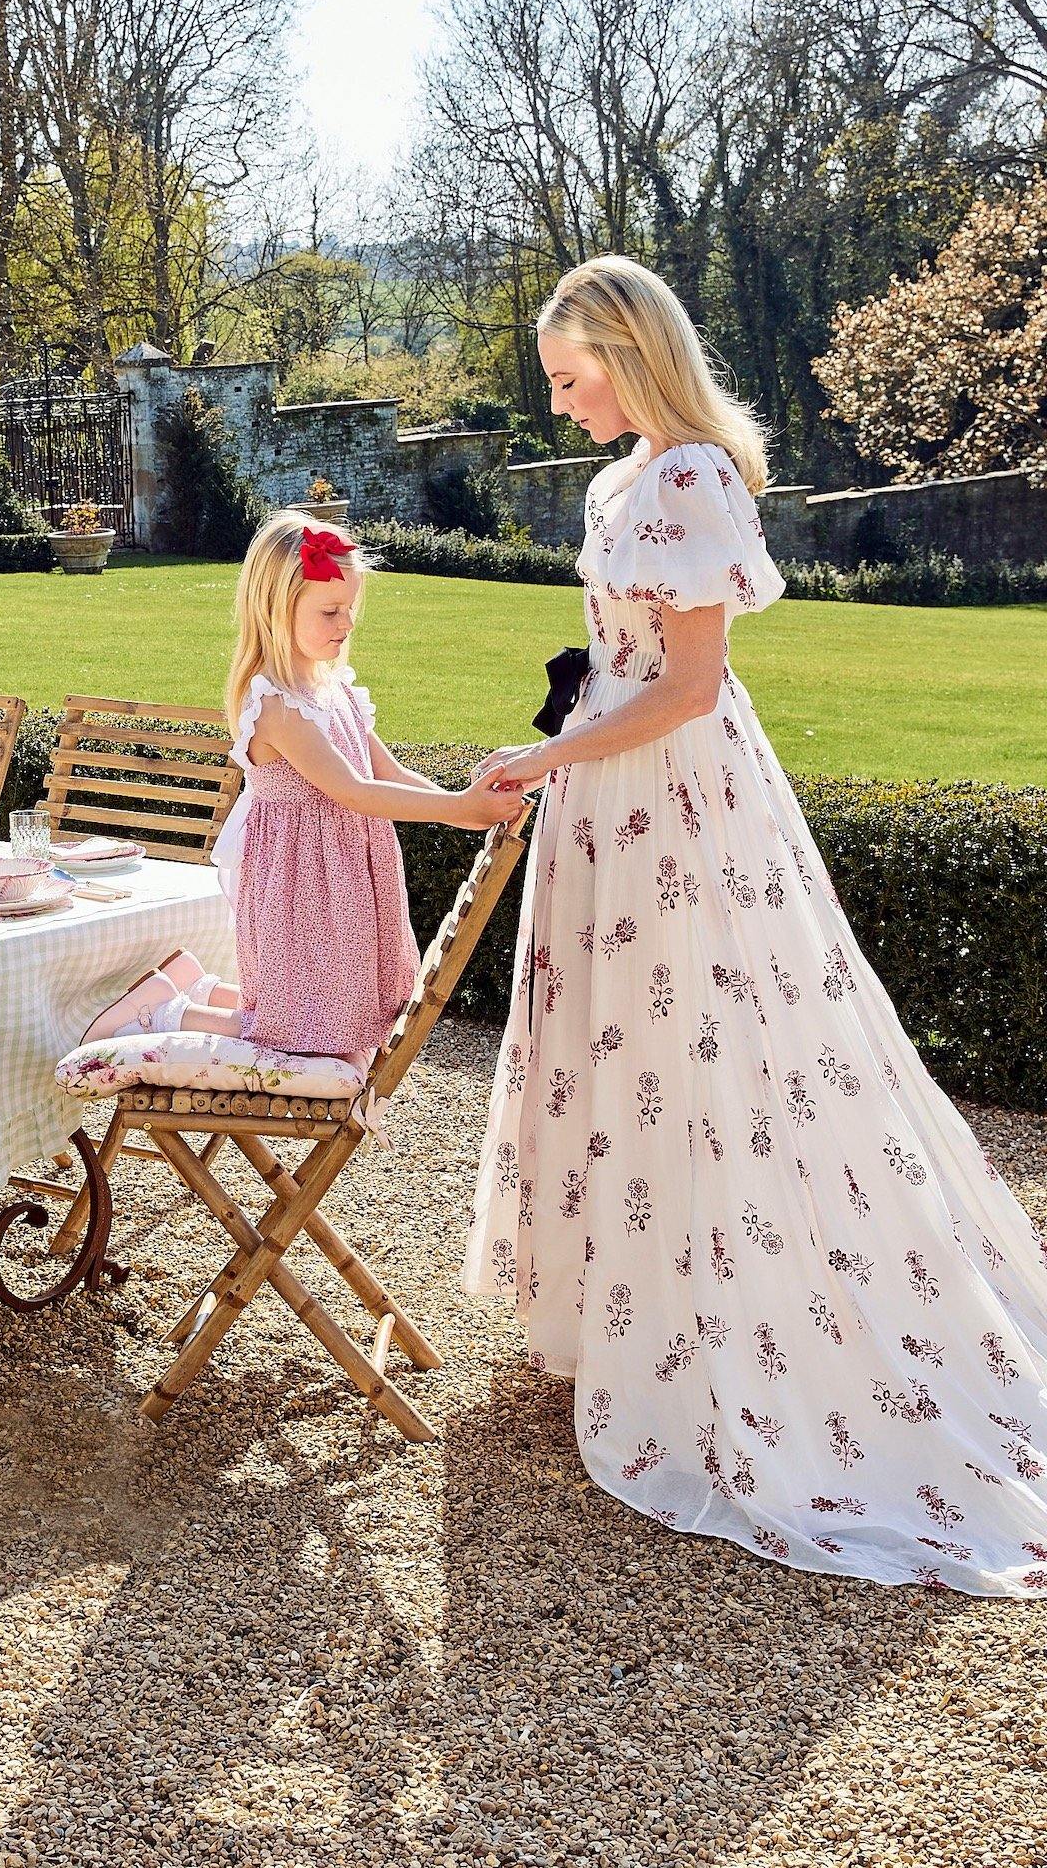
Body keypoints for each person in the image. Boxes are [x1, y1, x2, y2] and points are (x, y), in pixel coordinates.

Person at [464, 253, 1047, 1595]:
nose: (559, 407)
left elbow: (687, 691)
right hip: (610, 800)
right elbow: (621, 668)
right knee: (631, 1061)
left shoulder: (687, 479)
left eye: (568, 378)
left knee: (708, 1061)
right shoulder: (624, 480)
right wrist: (559, 747)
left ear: (627, 351)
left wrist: (549, 761)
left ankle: (735, 1347)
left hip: (671, 801)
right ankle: (640, 1326)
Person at [81, 511, 508, 1054]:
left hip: (347, 873)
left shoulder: (338, 689)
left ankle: (196, 985)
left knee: (343, 1011)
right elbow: (351, 790)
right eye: (330, 611)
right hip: (300, 878)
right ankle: (166, 1011)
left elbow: (389, 773)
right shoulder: (277, 705)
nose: (345, 623)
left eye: (350, 609)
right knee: (298, 1027)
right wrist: (457, 809)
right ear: (277, 611)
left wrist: (464, 801)